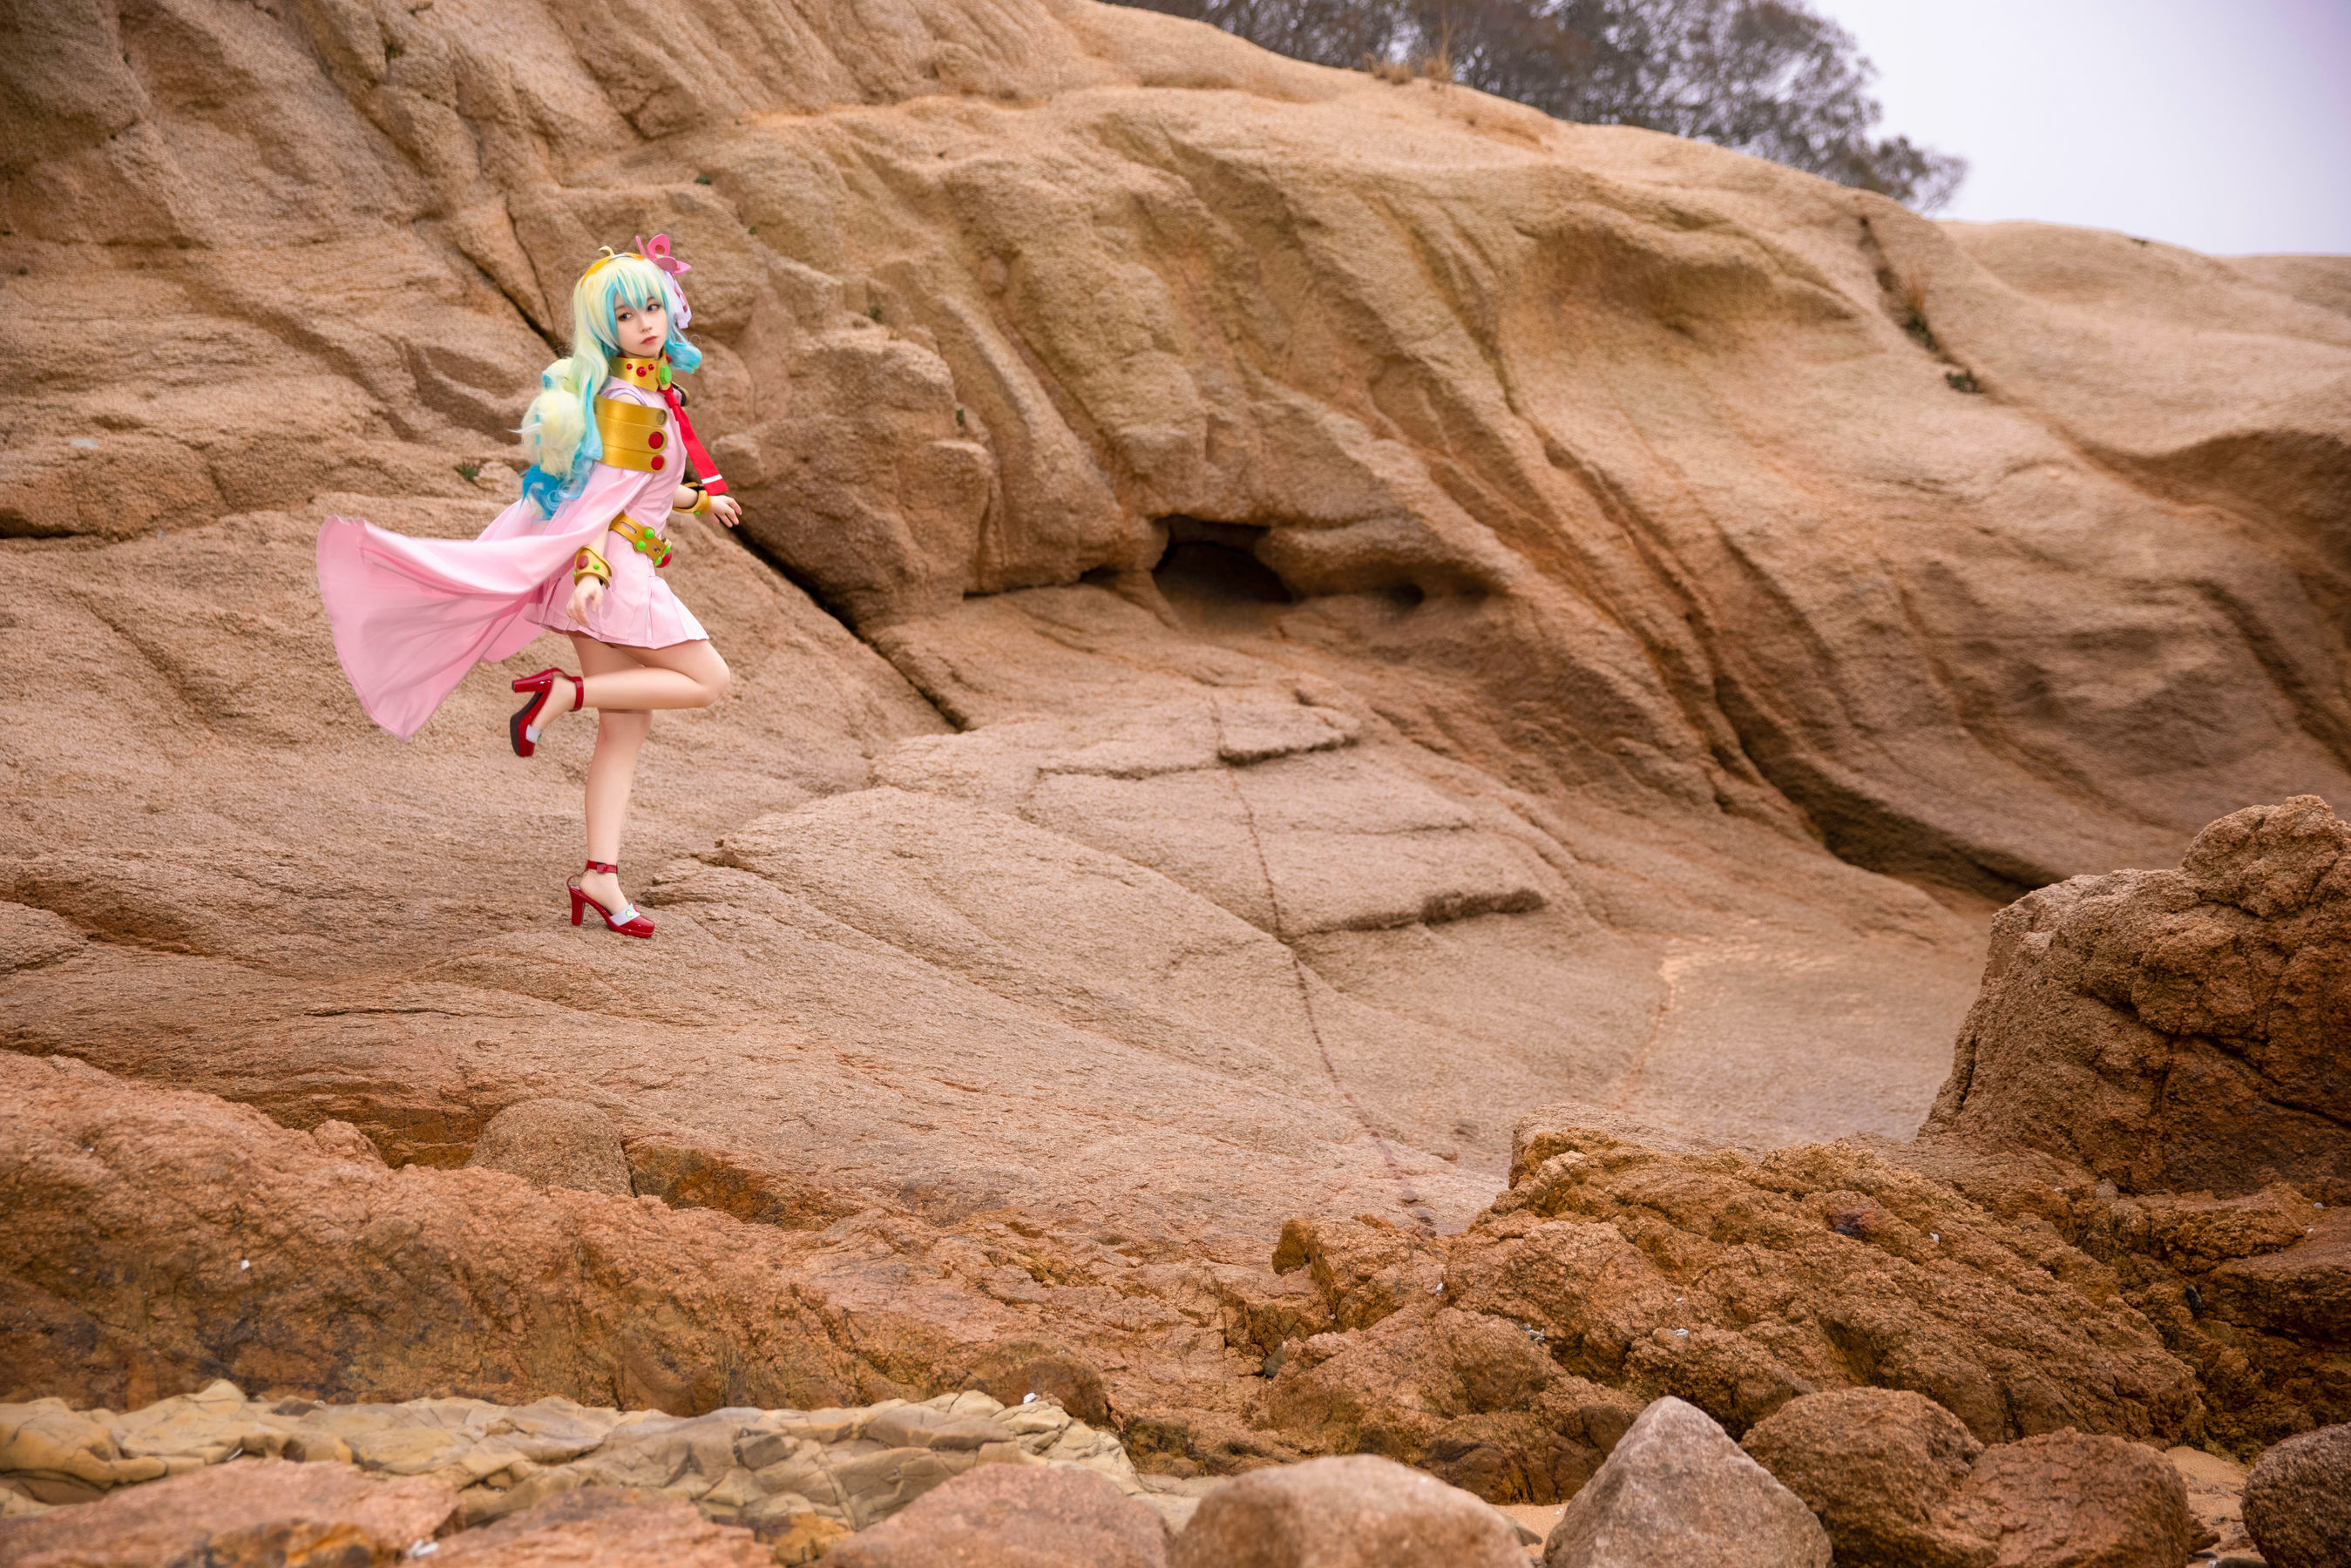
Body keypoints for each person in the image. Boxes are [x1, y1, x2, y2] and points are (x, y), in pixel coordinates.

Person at [316, 236, 742, 941]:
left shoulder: (639, 392)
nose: (645, 322)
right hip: (612, 574)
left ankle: (599, 876)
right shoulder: (630, 402)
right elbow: (598, 508)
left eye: (650, 307)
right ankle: (562, 694)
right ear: (605, 328)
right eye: (626, 315)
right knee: (708, 680)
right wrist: (592, 574)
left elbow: (637, 489)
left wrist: (701, 501)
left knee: (626, 727)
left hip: (609, 569)